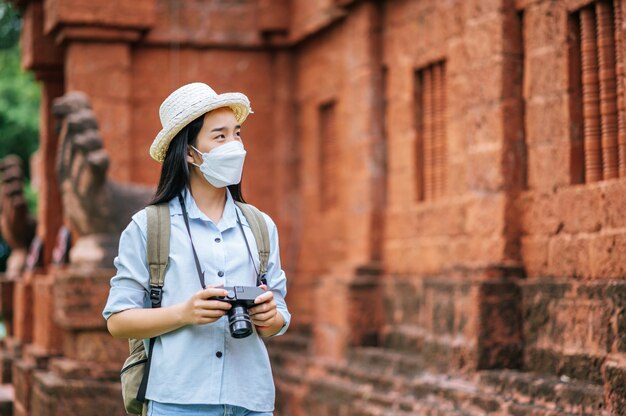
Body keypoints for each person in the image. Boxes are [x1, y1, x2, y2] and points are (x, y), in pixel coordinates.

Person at [102, 82, 290, 416]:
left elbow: (278, 319)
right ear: (190, 152)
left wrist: (269, 316)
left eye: (237, 134)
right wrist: (184, 313)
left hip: (252, 401)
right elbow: (118, 320)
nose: (234, 145)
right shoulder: (149, 227)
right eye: (220, 136)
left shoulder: (260, 226)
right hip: (177, 401)